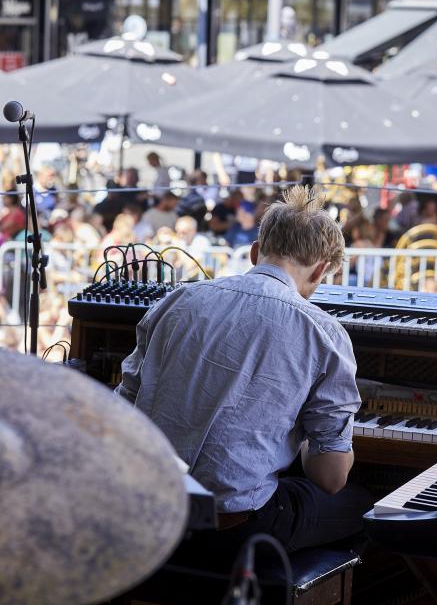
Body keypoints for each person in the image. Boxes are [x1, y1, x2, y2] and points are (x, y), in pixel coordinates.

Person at [115, 185, 371, 556]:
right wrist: (298, 433)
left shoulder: (178, 300)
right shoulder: (324, 333)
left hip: (146, 506)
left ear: (254, 254)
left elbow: (124, 405)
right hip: (229, 528)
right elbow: (330, 477)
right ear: (320, 271)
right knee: (363, 506)